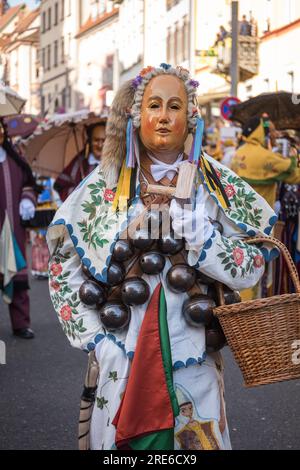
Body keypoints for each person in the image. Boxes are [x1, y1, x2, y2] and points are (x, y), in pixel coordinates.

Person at [47, 64, 277, 450]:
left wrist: (204, 238)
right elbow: (61, 265)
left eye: (175, 106)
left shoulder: (217, 185)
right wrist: (97, 339)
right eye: (154, 105)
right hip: (123, 352)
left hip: (194, 356)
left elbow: (252, 266)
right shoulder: (104, 184)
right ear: (137, 117)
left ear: (191, 118)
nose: (165, 116)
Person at [0, 120, 37, 339]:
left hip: (13, 228)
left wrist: (27, 200)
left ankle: (21, 323)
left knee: (19, 281)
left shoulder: (15, 159)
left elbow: (29, 184)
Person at [232, 116, 300, 209]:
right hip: (261, 212)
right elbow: (293, 175)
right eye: (271, 131)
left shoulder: (239, 152)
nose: (275, 134)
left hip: (241, 209)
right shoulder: (266, 156)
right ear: (261, 133)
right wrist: (294, 157)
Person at [54, 122, 106, 202]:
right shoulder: (79, 163)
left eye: (104, 140)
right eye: (96, 140)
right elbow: (60, 186)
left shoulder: (117, 163)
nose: (100, 145)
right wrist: (78, 193)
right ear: (89, 141)